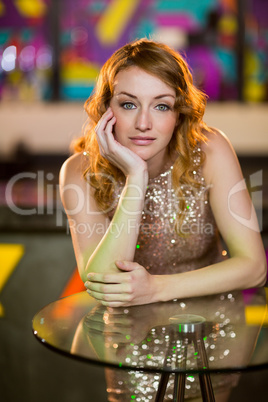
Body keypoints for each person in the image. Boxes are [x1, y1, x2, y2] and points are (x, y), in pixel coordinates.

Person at [60, 38, 267, 402]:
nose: (143, 123)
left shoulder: (210, 149)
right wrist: (136, 178)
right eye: (128, 104)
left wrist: (154, 288)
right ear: (106, 109)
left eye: (161, 106)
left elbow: (254, 267)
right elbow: (104, 285)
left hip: (211, 333)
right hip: (128, 340)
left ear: (180, 112)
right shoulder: (79, 172)